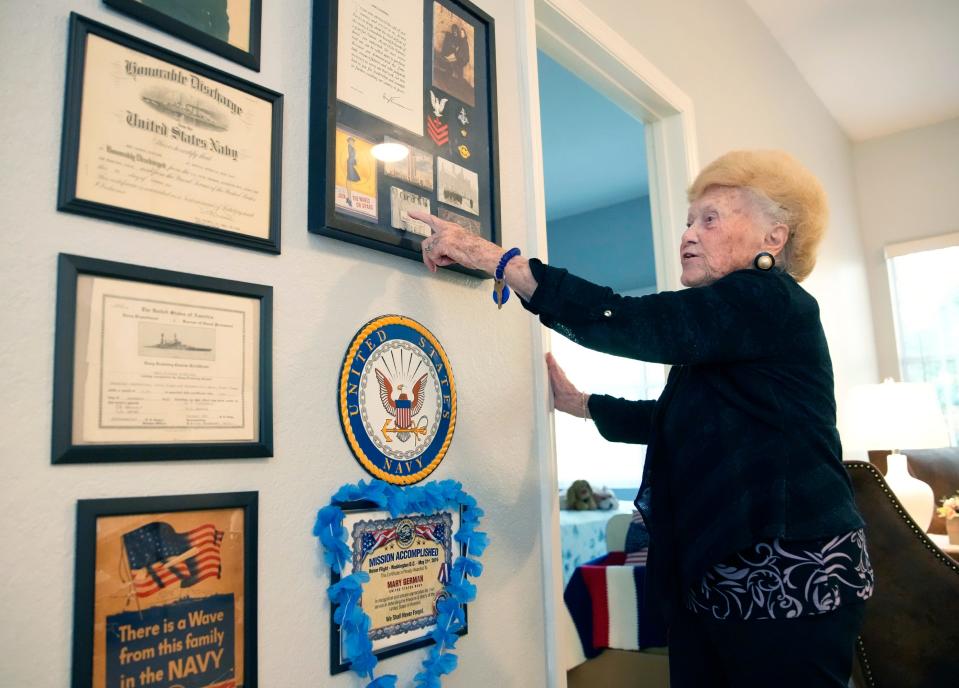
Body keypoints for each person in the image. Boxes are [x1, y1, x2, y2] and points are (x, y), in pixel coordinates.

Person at [409, 149, 873, 687]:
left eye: (711, 218)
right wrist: (581, 404)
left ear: (774, 238)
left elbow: (630, 320)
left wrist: (499, 260)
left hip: (794, 576)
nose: (689, 234)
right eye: (688, 221)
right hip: (723, 576)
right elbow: (679, 419)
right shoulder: (732, 330)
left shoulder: (769, 302)